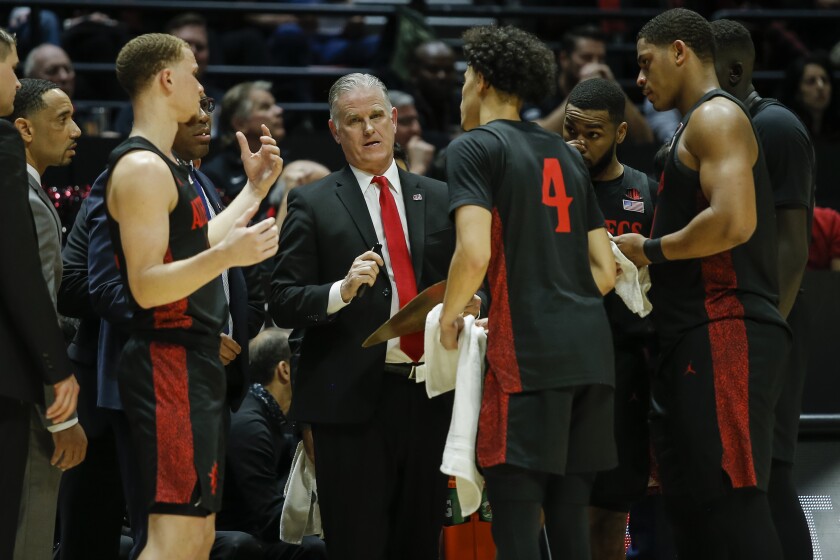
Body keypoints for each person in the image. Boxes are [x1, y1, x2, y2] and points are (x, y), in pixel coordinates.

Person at [270, 72, 478, 560]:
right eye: (354, 120)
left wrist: (475, 302)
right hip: (351, 404)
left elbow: (471, 281)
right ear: (334, 130)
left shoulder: (440, 194)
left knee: (419, 543)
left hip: (429, 396)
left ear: (395, 121)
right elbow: (280, 298)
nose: (368, 129)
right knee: (358, 544)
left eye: (376, 116)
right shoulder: (311, 201)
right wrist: (339, 291)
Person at [613, 9, 790, 559]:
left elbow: (733, 220)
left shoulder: (716, 117)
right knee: (690, 507)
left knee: (728, 501)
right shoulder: (696, 125)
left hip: (725, 328)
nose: (639, 80)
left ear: (681, 51)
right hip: (693, 332)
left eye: (646, 63)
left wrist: (650, 251)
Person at [440, 25, 617, 560]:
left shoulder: (473, 148)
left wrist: (449, 318)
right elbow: (605, 272)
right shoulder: (566, 154)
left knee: (515, 525)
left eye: (467, 77)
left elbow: (473, 255)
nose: (463, 90)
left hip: (528, 359)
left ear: (485, 80)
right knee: (570, 524)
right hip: (591, 356)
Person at [105, 33, 281, 560]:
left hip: (192, 362)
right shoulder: (140, 168)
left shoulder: (167, 166)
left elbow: (195, 244)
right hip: (167, 361)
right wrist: (231, 256)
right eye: (194, 73)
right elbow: (145, 283)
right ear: (166, 79)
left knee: (198, 535)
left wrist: (253, 192)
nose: (201, 86)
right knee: (173, 538)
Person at [712, 18, 817, 560]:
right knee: (745, 479)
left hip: (769, 329)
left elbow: (793, 248)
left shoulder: (774, 128)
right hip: (740, 327)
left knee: (771, 475)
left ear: (733, 71)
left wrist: (765, 334)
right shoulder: (726, 129)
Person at [562, 77, 657, 560]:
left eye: (593, 133)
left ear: (621, 133)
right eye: (570, 130)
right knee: (564, 508)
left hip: (624, 365)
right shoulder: (550, 192)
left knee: (611, 511)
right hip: (563, 362)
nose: (578, 142)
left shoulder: (645, 190)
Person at [0, 28, 79, 560]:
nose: (75, 131)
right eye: (62, 120)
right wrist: (63, 410)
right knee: (26, 532)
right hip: (27, 388)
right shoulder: (22, 192)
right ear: (25, 130)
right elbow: (32, 296)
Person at [218, 328, 327, 559]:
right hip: (243, 531)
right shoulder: (249, 425)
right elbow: (267, 517)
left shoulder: (278, 417)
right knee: (320, 547)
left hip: (261, 528)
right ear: (285, 370)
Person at [531, 25, 655, 145]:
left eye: (600, 59)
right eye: (586, 58)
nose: (596, 66)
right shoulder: (542, 89)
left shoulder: (604, 92)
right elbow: (534, 138)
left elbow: (645, 139)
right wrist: (579, 91)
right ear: (564, 59)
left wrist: (616, 90)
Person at [204, 80, 285, 206]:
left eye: (274, 104)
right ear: (240, 123)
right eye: (265, 107)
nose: (279, 111)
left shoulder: (287, 164)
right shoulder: (213, 175)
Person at [779, 52, 840, 141]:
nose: (820, 86)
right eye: (811, 81)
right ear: (796, 92)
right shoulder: (785, 133)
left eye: (825, 80)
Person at [388, 90, 435, 176]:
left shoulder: (427, 154)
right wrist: (418, 168)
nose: (416, 128)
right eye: (405, 122)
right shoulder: (375, 165)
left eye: (417, 120)